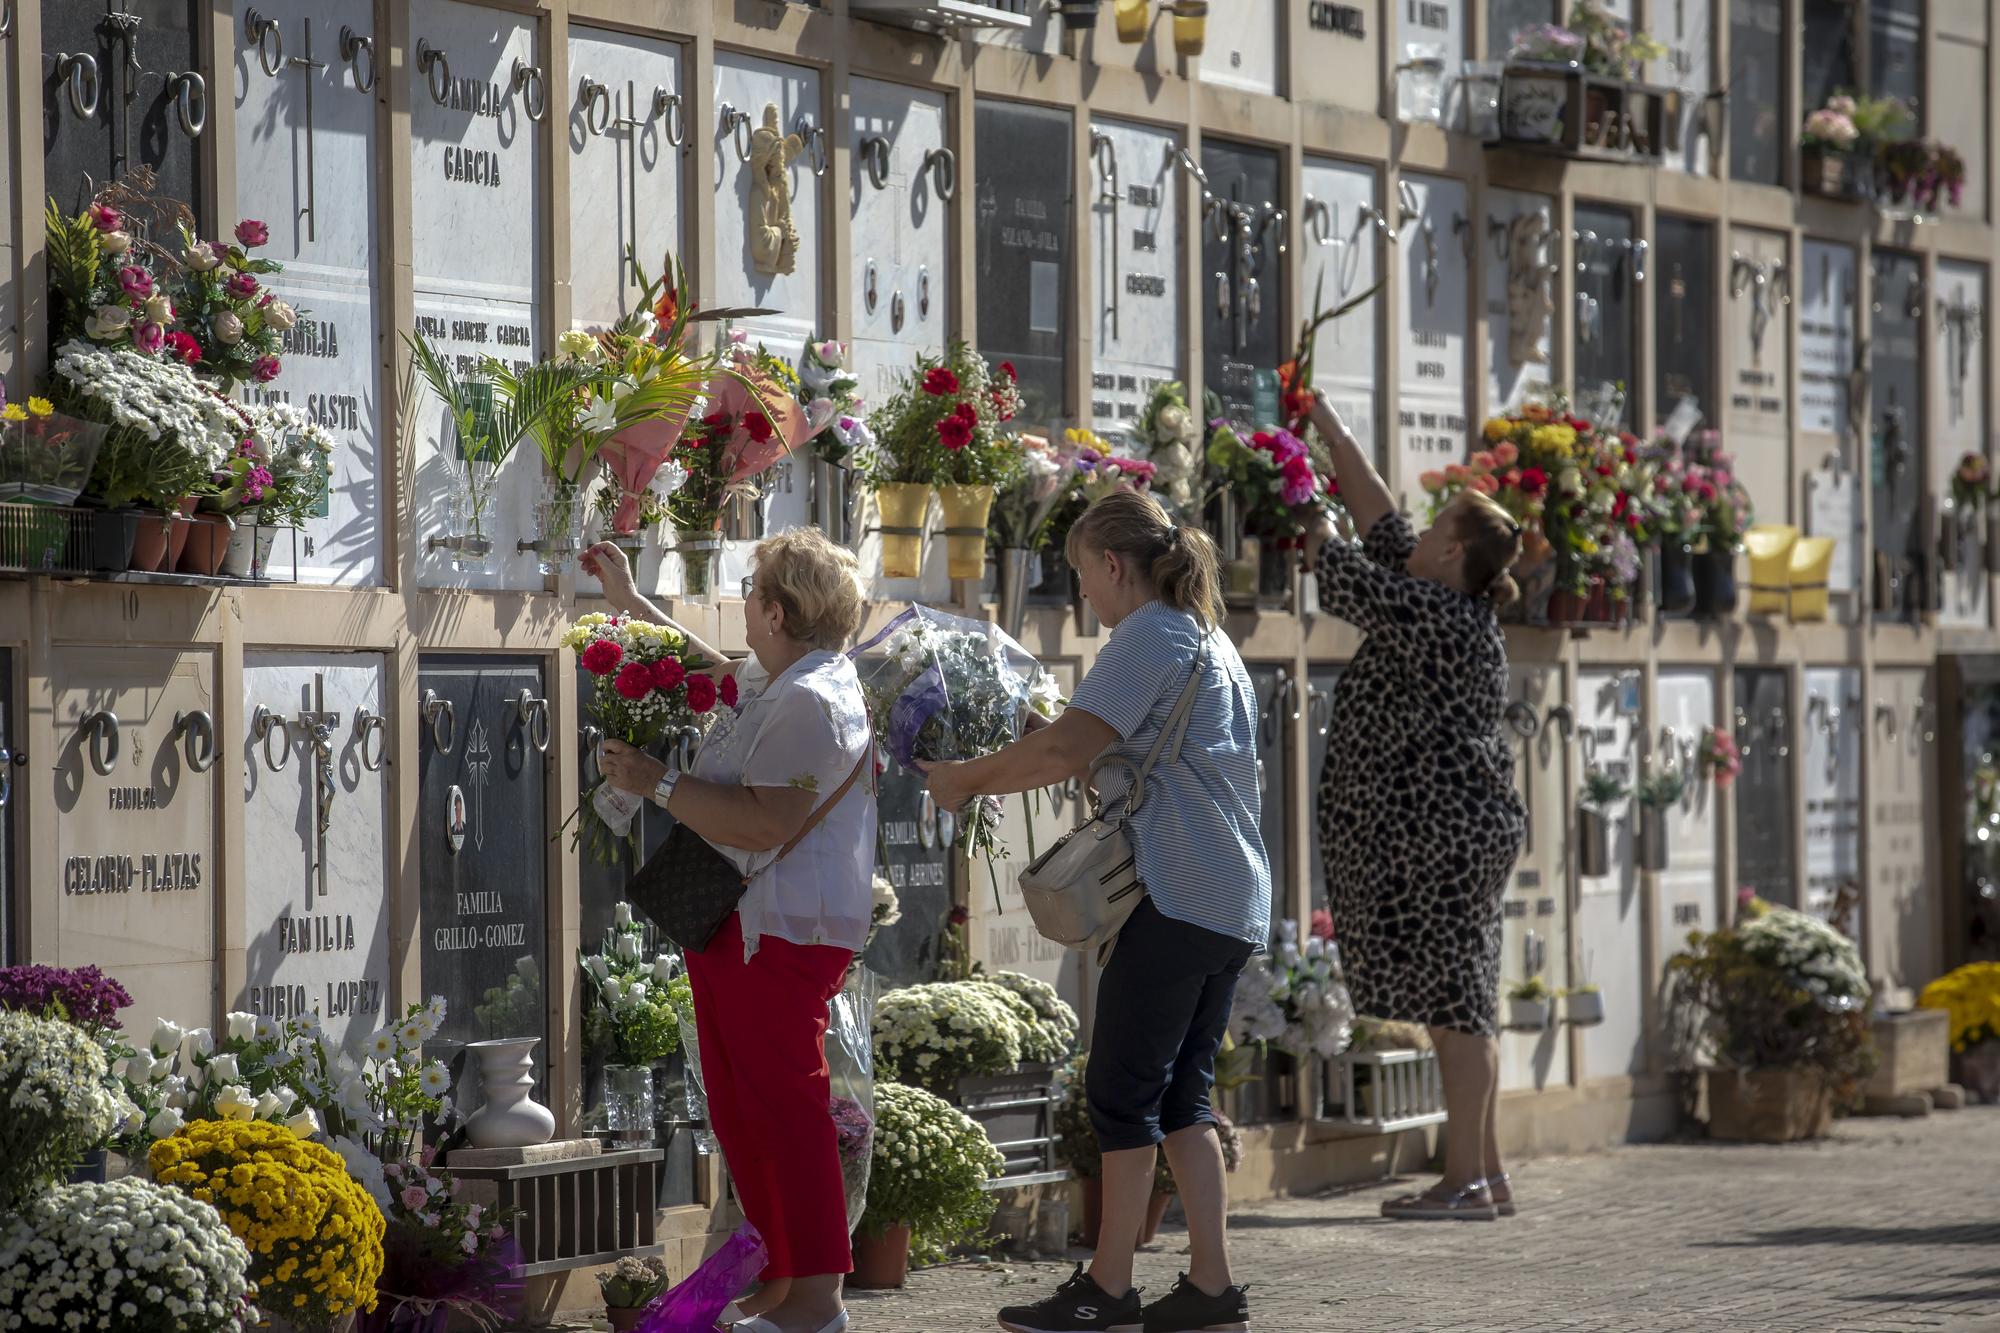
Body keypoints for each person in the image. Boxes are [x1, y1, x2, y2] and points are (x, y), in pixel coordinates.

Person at [922, 490, 1269, 1333]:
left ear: (1114, 566)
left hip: (1178, 896)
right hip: (1228, 900)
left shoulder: (1146, 631)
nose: (1084, 596)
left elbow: (1062, 750)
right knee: (1182, 1093)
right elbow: (1130, 753)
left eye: (1083, 576)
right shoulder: (1208, 638)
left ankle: (1109, 1290)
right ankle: (1211, 1287)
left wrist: (964, 777)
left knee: (1122, 1092)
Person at [582, 530, 872, 1333]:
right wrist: (632, 605)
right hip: (743, 926)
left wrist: (657, 781)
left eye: (751, 593)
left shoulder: (813, 697)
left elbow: (764, 819)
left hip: (779, 934)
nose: (743, 606)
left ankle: (817, 1298)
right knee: (746, 1111)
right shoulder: (793, 677)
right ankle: (781, 1280)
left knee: (787, 1109)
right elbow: (719, 673)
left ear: (776, 611)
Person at [1298, 393, 1529, 1222]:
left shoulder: (1441, 613)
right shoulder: (1433, 583)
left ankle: (1462, 1179)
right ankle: (1486, 1173)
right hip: (1454, 835)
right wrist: (1322, 425)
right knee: (1462, 1007)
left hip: (1447, 838)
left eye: (1438, 529)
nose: (1421, 532)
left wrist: (1309, 522)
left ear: (1456, 551)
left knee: (1457, 1015)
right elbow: (1380, 513)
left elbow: (1348, 572)